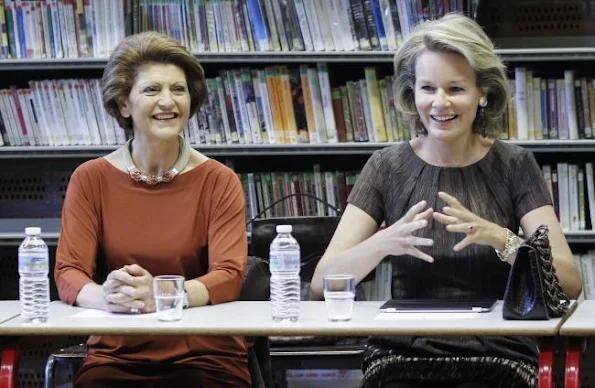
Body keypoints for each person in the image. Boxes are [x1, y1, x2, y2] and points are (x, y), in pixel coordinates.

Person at [311, 13, 582, 388]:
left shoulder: (515, 164)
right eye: (427, 88)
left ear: (482, 92)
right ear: (412, 93)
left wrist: (502, 240)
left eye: (455, 88)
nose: (439, 103)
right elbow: (321, 284)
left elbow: (569, 282)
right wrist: (382, 243)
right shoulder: (386, 165)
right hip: (401, 354)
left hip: (497, 354)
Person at [54, 31, 250, 387]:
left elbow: (229, 275)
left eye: (178, 89)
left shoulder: (219, 180)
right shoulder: (91, 179)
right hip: (116, 353)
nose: (167, 101)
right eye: (151, 90)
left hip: (205, 354)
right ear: (124, 104)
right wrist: (110, 297)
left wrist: (161, 296)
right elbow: (69, 272)